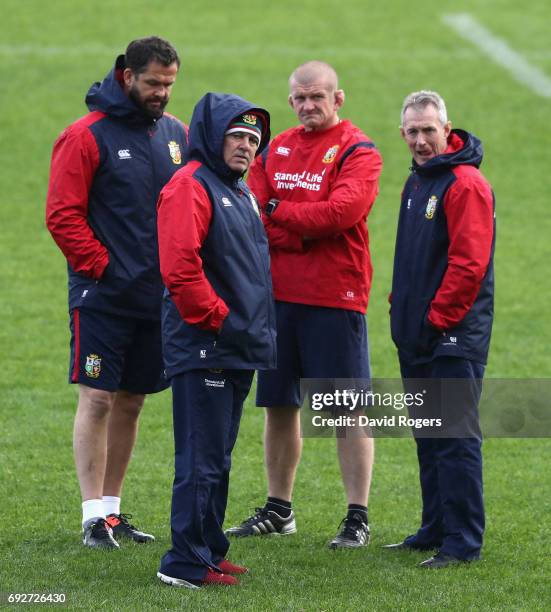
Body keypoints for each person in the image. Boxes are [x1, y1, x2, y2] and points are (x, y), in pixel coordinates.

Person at [225, 61, 382, 548]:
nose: (309, 105)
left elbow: (340, 214)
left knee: (345, 410)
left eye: (319, 96)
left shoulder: (359, 150)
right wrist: (298, 227)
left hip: (336, 296)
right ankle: (279, 508)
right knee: (278, 405)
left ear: (339, 98)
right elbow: (254, 212)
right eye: (300, 98)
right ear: (290, 101)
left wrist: (282, 216)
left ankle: (357, 516)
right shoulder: (276, 147)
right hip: (275, 297)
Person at [46, 36, 187, 549]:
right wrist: (103, 268)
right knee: (99, 396)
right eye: (153, 83)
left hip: (157, 297)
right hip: (103, 295)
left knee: (133, 401)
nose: (162, 94)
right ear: (126, 75)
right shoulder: (85, 136)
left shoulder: (175, 134)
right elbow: (62, 215)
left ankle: (111, 512)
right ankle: (89, 516)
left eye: (169, 84)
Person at [155, 93, 276, 588]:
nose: (247, 147)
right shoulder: (189, 187)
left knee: (218, 456)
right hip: (206, 343)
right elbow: (181, 269)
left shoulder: (238, 190)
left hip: (234, 344)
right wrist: (221, 321)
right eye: (238, 137)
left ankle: (208, 549)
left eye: (254, 139)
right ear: (211, 135)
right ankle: (183, 562)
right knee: (200, 458)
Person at [385, 90, 495, 568]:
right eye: (412, 131)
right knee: (429, 435)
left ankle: (463, 542)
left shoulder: (464, 183)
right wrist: (402, 310)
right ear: (403, 134)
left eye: (429, 130)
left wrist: (436, 320)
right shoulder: (419, 181)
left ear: (447, 129)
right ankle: (436, 527)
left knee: (454, 437)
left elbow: (469, 264)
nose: (421, 139)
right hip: (419, 332)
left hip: (451, 334)